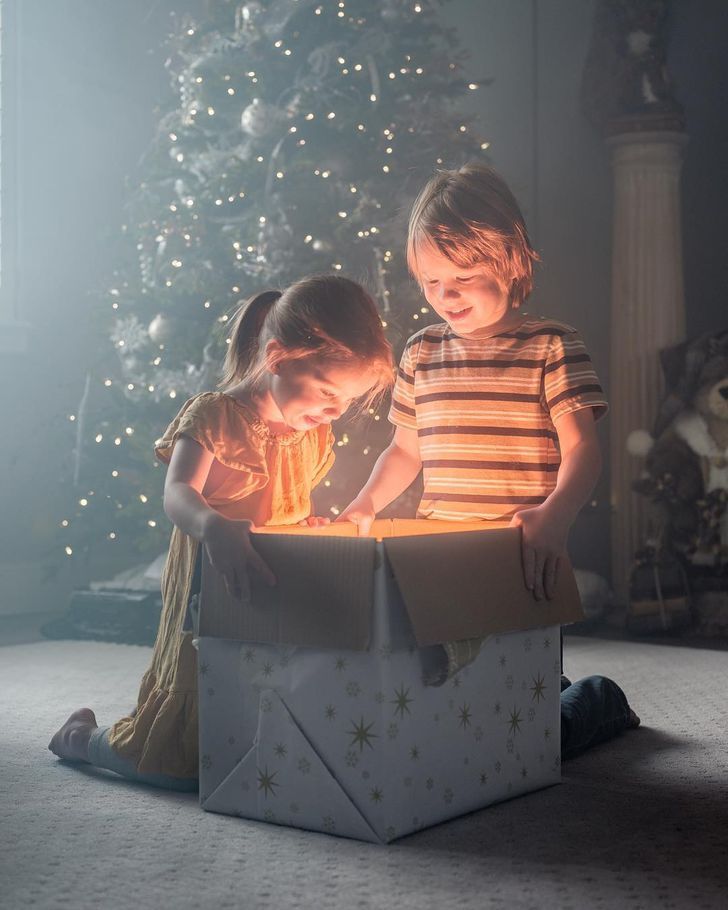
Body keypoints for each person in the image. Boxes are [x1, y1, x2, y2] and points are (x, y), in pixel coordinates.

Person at [339, 162, 639, 759]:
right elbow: (404, 450)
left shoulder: (552, 346)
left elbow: (583, 448)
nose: (444, 296)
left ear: (511, 260)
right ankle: (548, 691)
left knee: (527, 736)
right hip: (443, 556)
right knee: (458, 703)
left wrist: (554, 516)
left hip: (521, 555)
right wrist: (363, 506)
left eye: (463, 277)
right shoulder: (421, 351)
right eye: (429, 281)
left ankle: (599, 697)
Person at [49, 274, 394, 789]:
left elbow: (287, 506)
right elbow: (177, 493)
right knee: (180, 758)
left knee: (259, 713)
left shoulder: (312, 433)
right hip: (209, 584)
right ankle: (82, 739)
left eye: (345, 402)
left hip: (269, 588)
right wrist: (214, 526)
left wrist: (308, 529)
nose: (333, 412)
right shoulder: (215, 415)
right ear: (278, 360)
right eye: (327, 392)